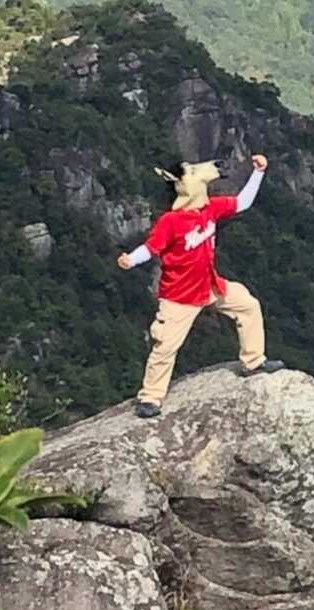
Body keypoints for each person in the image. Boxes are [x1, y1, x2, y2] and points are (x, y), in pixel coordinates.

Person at [117, 153, 284, 418]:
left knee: (247, 305)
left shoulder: (209, 208)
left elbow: (242, 203)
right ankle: (150, 397)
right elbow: (151, 248)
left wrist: (258, 173)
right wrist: (131, 259)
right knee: (165, 346)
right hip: (179, 296)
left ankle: (253, 361)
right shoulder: (171, 221)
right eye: (193, 173)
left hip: (209, 285)